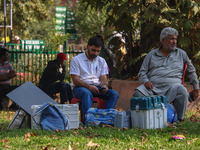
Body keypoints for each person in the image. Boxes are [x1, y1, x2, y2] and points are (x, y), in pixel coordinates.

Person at [133, 27, 199, 122]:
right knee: (138, 93)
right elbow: (142, 72)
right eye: (171, 39)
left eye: (175, 39)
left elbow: (191, 71)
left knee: (182, 90)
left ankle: (180, 120)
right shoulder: (151, 54)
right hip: (152, 90)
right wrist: (146, 81)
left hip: (172, 89)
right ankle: (147, 118)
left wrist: (196, 88)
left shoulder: (181, 54)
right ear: (163, 40)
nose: (174, 41)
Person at [70, 36, 119, 121]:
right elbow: (75, 80)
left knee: (114, 94)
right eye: (93, 50)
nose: (95, 53)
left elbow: (103, 79)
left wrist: (104, 86)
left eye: (98, 51)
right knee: (87, 93)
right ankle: (88, 121)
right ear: (87, 47)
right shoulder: (76, 60)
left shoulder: (101, 60)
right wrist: (89, 87)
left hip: (96, 88)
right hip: (80, 88)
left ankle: (104, 119)